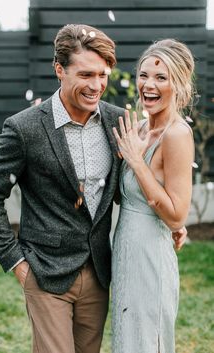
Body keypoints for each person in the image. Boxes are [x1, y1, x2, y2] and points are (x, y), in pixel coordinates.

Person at [0, 25, 186, 353]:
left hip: (101, 273)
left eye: (102, 75)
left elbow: (125, 188)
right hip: (45, 272)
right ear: (59, 70)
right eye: (86, 74)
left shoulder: (119, 121)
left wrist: (172, 218)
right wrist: (15, 260)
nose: (96, 85)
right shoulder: (24, 128)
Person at [111, 38, 195, 353]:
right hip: (127, 255)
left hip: (150, 262)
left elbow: (176, 215)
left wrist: (135, 162)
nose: (149, 84)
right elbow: (133, 196)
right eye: (144, 75)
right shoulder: (144, 129)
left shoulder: (177, 135)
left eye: (161, 77)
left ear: (180, 83)